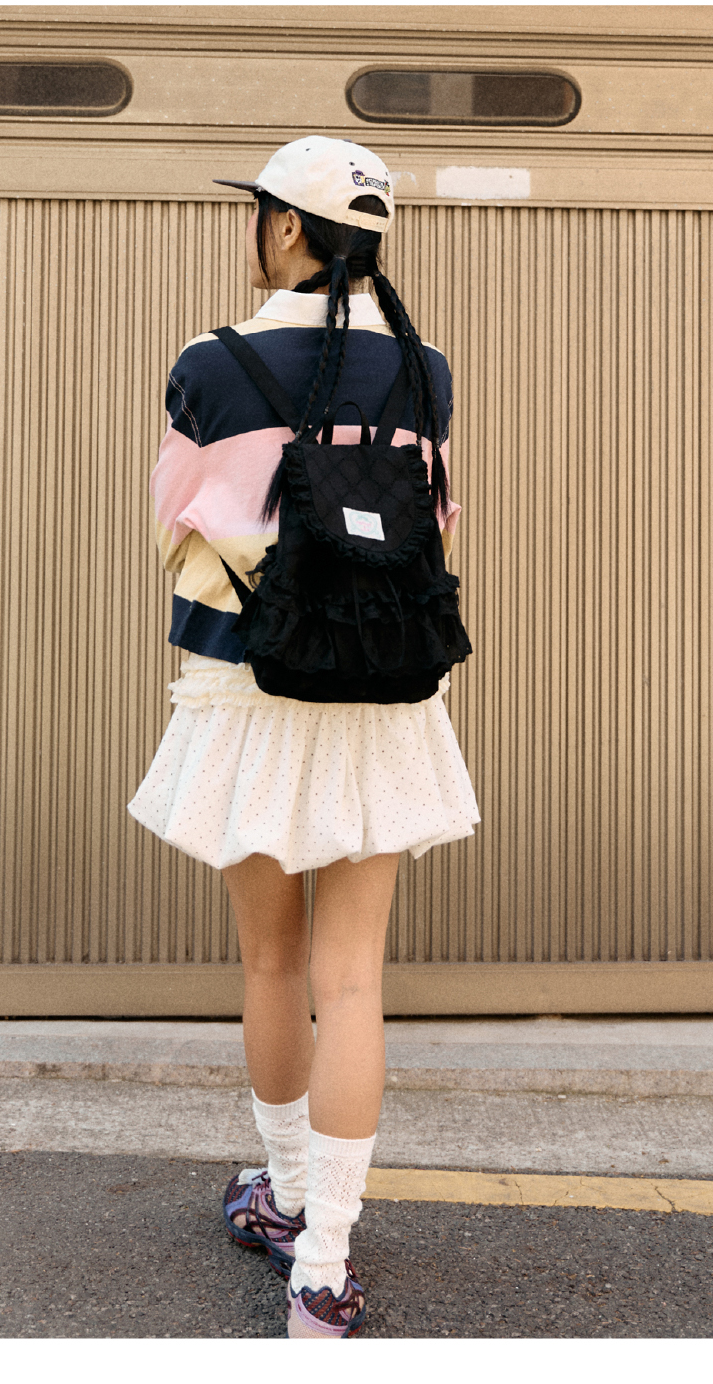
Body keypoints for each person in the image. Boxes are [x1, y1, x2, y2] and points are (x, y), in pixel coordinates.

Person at [131, 119, 478, 1337]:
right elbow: (436, 520)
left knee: (273, 962)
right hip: (386, 689)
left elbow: (173, 525)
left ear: (283, 226)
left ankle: (280, 1198)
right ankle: (323, 1268)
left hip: (251, 686)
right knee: (354, 977)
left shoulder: (212, 363)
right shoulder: (426, 368)